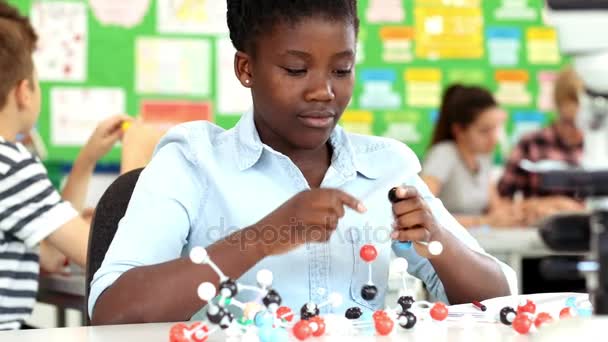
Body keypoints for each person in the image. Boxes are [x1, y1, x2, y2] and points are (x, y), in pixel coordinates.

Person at [89, 0, 515, 325]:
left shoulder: (385, 168)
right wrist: (265, 237)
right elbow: (112, 310)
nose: (323, 91)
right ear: (246, 69)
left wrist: (439, 241)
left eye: (342, 69)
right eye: (296, 70)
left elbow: (500, 301)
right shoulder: (192, 162)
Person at [0, 1, 127, 330]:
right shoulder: (10, 165)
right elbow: (105, 259)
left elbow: (52, 256)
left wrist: (85, 161)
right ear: (24, 92)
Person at [421, 85, 524, 228]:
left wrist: (523, 212)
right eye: (484, 131)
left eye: (497, 128)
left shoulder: (482, 157)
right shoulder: (443, 154)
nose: (494, 138)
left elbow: (496, 208)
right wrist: (484, 222)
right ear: (459, 130)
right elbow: (421, 211)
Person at [498, 67, 585, 225]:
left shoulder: (599, 146)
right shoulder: (530, 144)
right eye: (569, 123)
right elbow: (500, 203)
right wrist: (540, 205)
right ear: (559, 105)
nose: (576, 131)